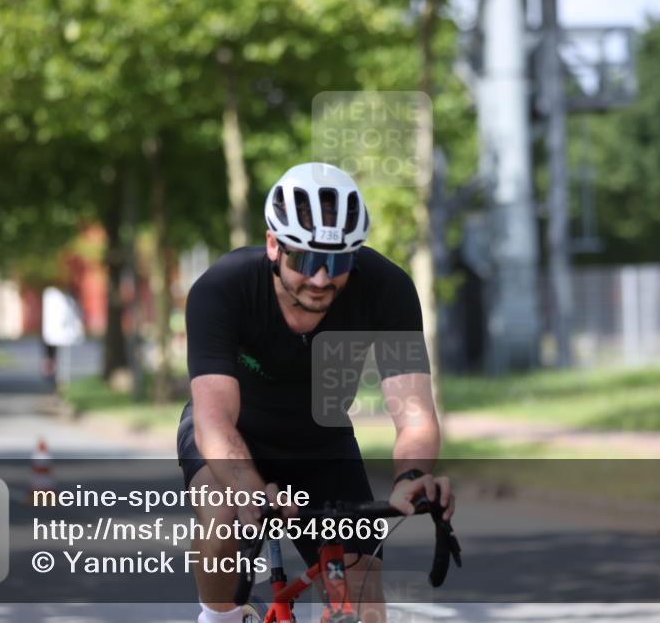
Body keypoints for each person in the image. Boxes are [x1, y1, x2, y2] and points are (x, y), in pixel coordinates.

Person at [177, 163, 454, 623]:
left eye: (339, 261)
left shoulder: (388, 289)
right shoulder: (222, 288)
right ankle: (219, 617)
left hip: (321, 442)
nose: (322, 278)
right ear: (273, 245)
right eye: (306, 260)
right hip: (233, 437)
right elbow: (214, 419)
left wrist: (411, 477)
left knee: (363, 595)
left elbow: (415, 415)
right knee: (223, 512)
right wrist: (249, 488)